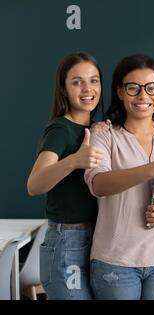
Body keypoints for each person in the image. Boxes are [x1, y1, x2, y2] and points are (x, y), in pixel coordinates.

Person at [84, 54, 154, 300]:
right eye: (133, 88)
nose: (143, 96)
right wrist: (152, 169)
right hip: (115, 261)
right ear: (120, 92)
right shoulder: (104, 134)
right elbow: (98, 184)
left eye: (152, 88)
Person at [27, 52, 104, 299]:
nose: (87, 88)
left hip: (96, 239)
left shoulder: (96, 129)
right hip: (68, 241)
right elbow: (34, 184)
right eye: (77, 82)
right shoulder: (60, 129)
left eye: (94, 80)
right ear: (63, 88)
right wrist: (74, 161)